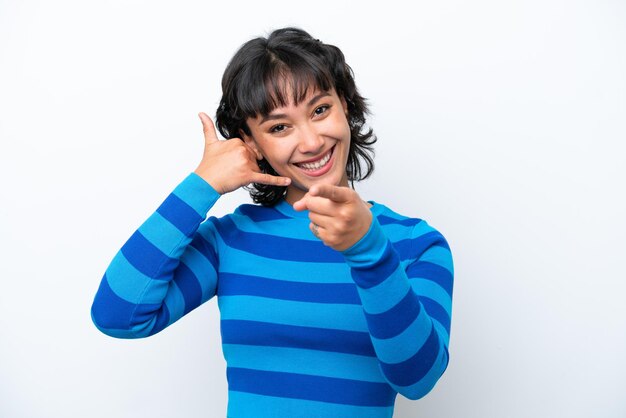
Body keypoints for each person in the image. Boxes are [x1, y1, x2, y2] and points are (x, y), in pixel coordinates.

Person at [91, 27, 454, 418]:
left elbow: (418, 380)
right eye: (280, 127)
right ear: (250, 143)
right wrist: (202, 185)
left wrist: (370, 252)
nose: (311, 142)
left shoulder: (415, 243)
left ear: (345, 104)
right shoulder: (231, 240)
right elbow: (118, 316)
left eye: (320, 110)